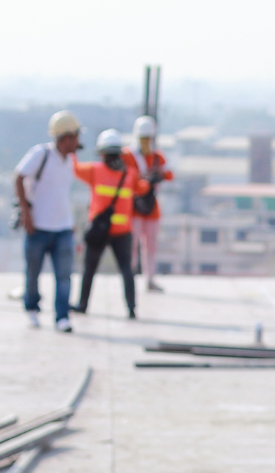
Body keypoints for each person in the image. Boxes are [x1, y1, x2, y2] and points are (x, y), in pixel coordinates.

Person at [15, 110, 83, 333]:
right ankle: (32, 309)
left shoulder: (70, 160)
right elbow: (19, 176)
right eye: (76, 136)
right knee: (33, 273)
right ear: (66, 137)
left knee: (64, 276)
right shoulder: (41, 154)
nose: (78, 142)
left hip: (63, 228)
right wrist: (26, 212)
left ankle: (62, 316)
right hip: (39, 227)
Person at [73, 129, 149, 319]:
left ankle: (83, 305)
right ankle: (131, 308)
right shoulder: (129, 174)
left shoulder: (94, 170)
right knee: (126, 270)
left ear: (102, 153)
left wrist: (74, 149)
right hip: (123, 232)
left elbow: (74, 168)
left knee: (89, 270)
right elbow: (143, 188)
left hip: (99, 230)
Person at [129, 115, 172, 293]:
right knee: (132, 244)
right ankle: (129, 277)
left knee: (151, 245)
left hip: (152, 207)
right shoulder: (129, 156)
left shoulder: (157, 157)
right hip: (135, 208)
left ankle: (150, 279)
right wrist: (143, 181)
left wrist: (158, 174)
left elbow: (170, 175)